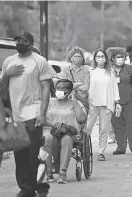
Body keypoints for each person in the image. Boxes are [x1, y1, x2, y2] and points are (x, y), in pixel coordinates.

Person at [0, 31, 54, 197]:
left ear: (31, 44)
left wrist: (43, 113)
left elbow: (46, 89)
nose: (19, 43)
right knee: (20, 154)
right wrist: (7, 75)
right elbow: (2, 89)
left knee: (34, 152)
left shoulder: (39, 61)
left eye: (23, 40)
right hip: (16, 115)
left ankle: (35, 187)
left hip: (34, 111)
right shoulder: (9, 61)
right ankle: (26, 187)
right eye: (18, 40)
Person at [43, 79, 87, 184]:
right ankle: (49, 172)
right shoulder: (49, 102)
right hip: (50, 129)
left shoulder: (75, 103)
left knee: (66, 140)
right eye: (58, 88)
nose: (59, 90)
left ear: (69, 91)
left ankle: (62, 173)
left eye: (63, 89)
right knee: (46, 138)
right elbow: (41, 118)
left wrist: (75, 102)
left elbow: (81, 119)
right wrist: (53, 124)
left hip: (69, 131)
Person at [86, 48, 121, 161]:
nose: (100, 59)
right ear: (95, 58)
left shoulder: (110, 72)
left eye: (102, 56)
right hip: (93, 104)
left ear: (106, 59)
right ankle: (85, 148)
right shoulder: (90, 71)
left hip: (107, 104)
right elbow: (87, 87)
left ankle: (101, 151)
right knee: (88, 128)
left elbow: (115, 88)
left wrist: (117, 102)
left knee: (104, 129)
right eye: (98, 56)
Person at [110, 51, 132, 155]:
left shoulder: (129, 68)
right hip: (115, 103)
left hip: (130, 101)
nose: (121, 59)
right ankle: (121, 147)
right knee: (118, 125)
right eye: (118, 57)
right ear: (113, 59)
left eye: (122, 57)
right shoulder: (109, 70)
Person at [60, 46, 90, 113]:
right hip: (69, 100)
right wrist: (79, 84)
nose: (77, 58)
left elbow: (86, 87)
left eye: (79, 57)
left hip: (83, 101)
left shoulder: (86, 69)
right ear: (71, 58)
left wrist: (72, 86)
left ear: (82, 58)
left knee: (83, 120)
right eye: (75, 56)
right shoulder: (66, 70)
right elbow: (64, 86)